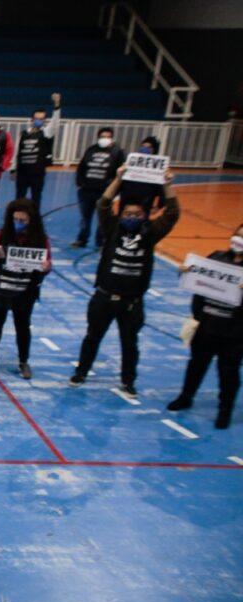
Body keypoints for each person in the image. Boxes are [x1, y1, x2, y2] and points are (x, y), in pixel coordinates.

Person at [70, 166, 179, 396]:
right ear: (121, 215)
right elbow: (103, 204)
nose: (132, 218)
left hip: (132, 301)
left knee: (130, 343)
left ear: (145, 216)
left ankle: (128, 380)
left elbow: (172, 214)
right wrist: (118, 180)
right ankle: (81, 371)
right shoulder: (112, 229)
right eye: (128, 214)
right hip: (104, 295)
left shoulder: (150, 233)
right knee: (92, 337)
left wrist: (167, 185)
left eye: (137, 215)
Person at [166, 225, 243, 429]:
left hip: (235, 332)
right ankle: (185, 397)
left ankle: (224, 410)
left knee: (228, 372)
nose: (239, 241)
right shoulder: (217, 258)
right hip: (206, 325)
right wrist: (185, 273)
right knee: (196, 364)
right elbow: (198, 282)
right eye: (238, 235)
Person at [0, 199, 53, 379]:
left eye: (22, 220)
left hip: (25, 291)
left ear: (32, 220)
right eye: (15, 219)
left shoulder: (41, 240)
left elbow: (47, 265)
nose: (18, 223)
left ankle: (23, 361)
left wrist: (46, 267)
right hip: (1, 288)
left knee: (23, 326)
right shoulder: (3, 235)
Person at [71, 127, 125, 248]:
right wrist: (80, 183)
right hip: (86, 190)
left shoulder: (118, 152)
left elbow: (120, 172)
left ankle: (101, 243)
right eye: (102, 136)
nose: (105, 139)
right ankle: (82, 240)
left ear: (112, 138)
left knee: (103, 219)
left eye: (107, 137)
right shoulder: (91, 150)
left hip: (104, 193)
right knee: (85, 218)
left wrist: (113, 190)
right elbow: (82, 167)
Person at [10, 93, 61, 207]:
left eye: (41, 119)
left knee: (36, 197)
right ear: (32, 119)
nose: (39, 121)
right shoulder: (23, 134)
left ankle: (34, 220)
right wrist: (13, 169)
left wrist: (57, 105)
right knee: (19, 197)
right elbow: (16, 152)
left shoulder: (46, 132)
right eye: (37, 118)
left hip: (37, 173)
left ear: (44, 120)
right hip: (22, 173)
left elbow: (55, 122)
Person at [119, 135, 165, 212]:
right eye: (143, 146)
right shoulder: (130, 162)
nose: (144, 149)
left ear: (154, 150)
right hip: (126, 201)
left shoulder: (158, 168)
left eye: (148, 147)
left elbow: (162, 189)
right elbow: (121, 182)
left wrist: (159, 206)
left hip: (145, 202)